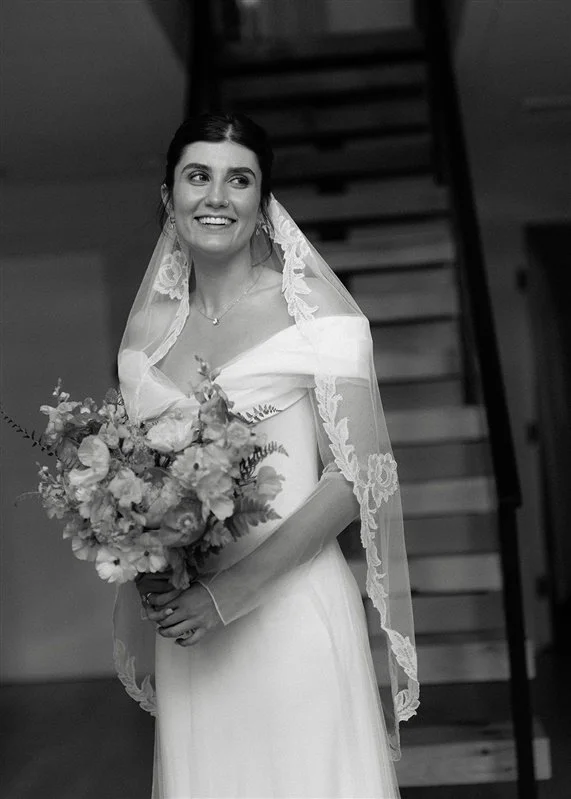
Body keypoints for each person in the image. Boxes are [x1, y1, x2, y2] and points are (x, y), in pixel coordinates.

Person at [115, 112, 419, 798]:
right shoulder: (144, 337)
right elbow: (141, 485)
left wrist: (228, 595)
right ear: (170, 197)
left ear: (262, 204)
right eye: (198, 176)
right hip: (190, 631)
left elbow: (355, 479)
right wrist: (146, 563)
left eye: (238, 179)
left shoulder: (318, 315)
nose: (216, 195)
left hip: (291, 613)